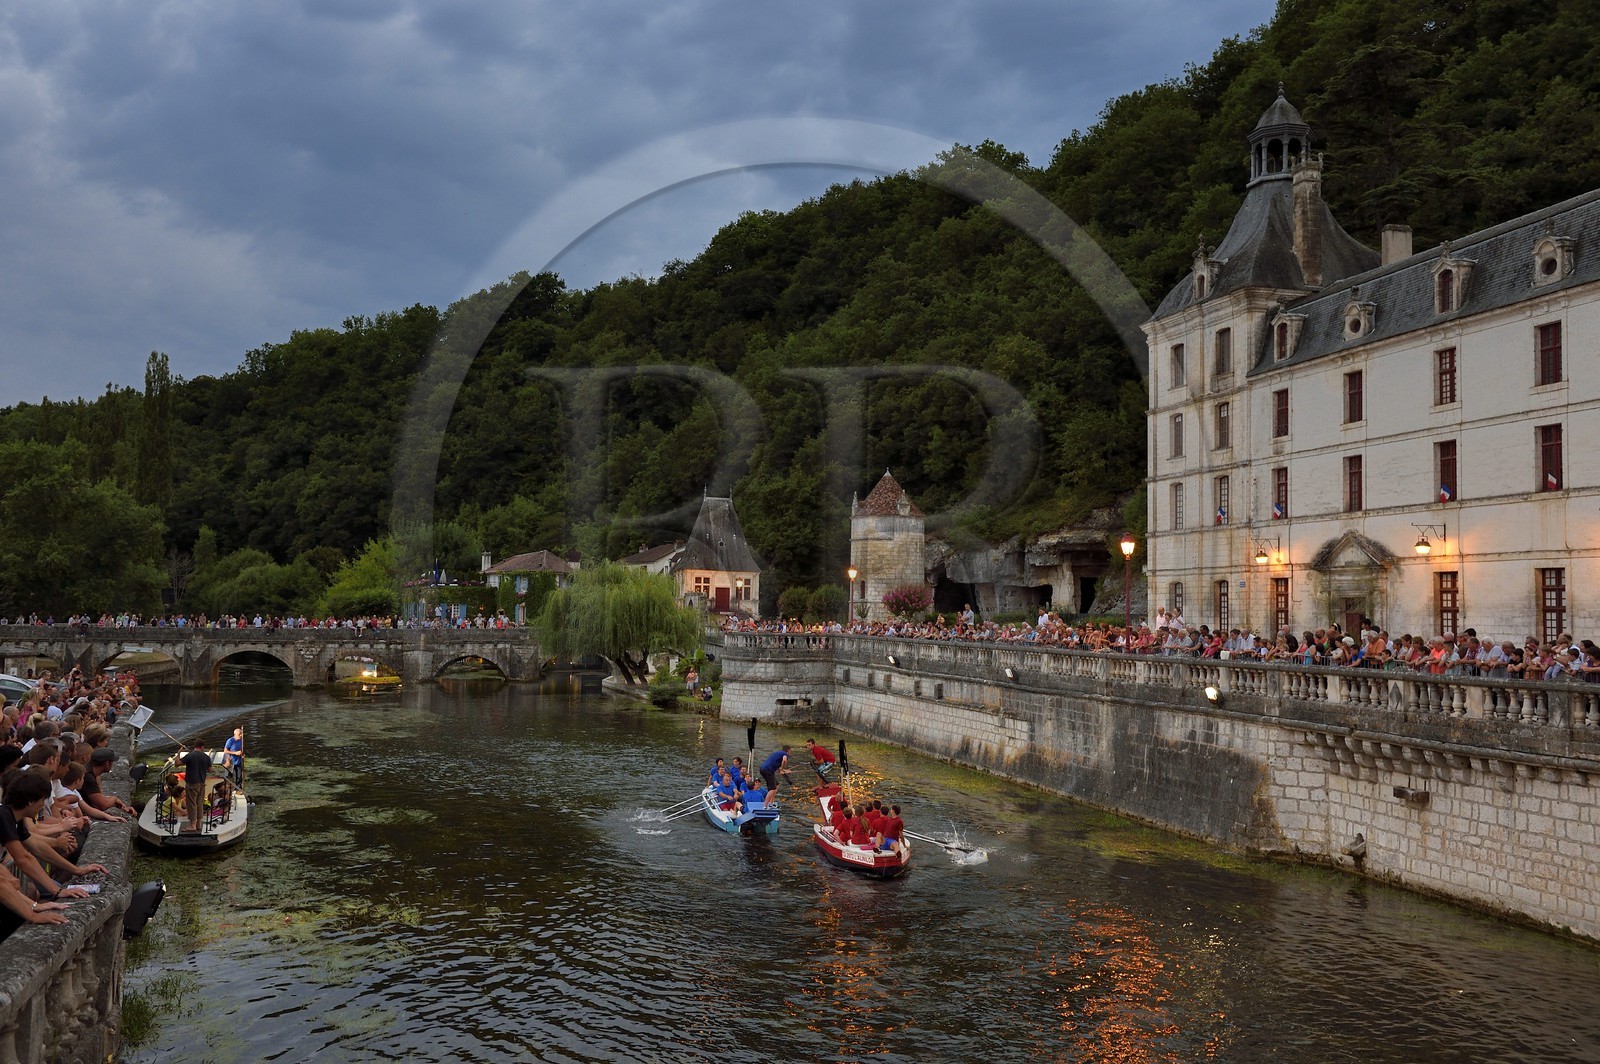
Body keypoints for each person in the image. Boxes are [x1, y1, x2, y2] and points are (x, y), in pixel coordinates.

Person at [180, 740, 212, 833]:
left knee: (192, 804)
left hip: (192, 783)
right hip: (202, 784)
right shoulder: (206, 757)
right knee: (199, 803)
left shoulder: (190, 756)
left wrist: (179, 752)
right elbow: (210, 769)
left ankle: (192, 825)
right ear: (202, 747)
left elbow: (177, 763)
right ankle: (199, 823)